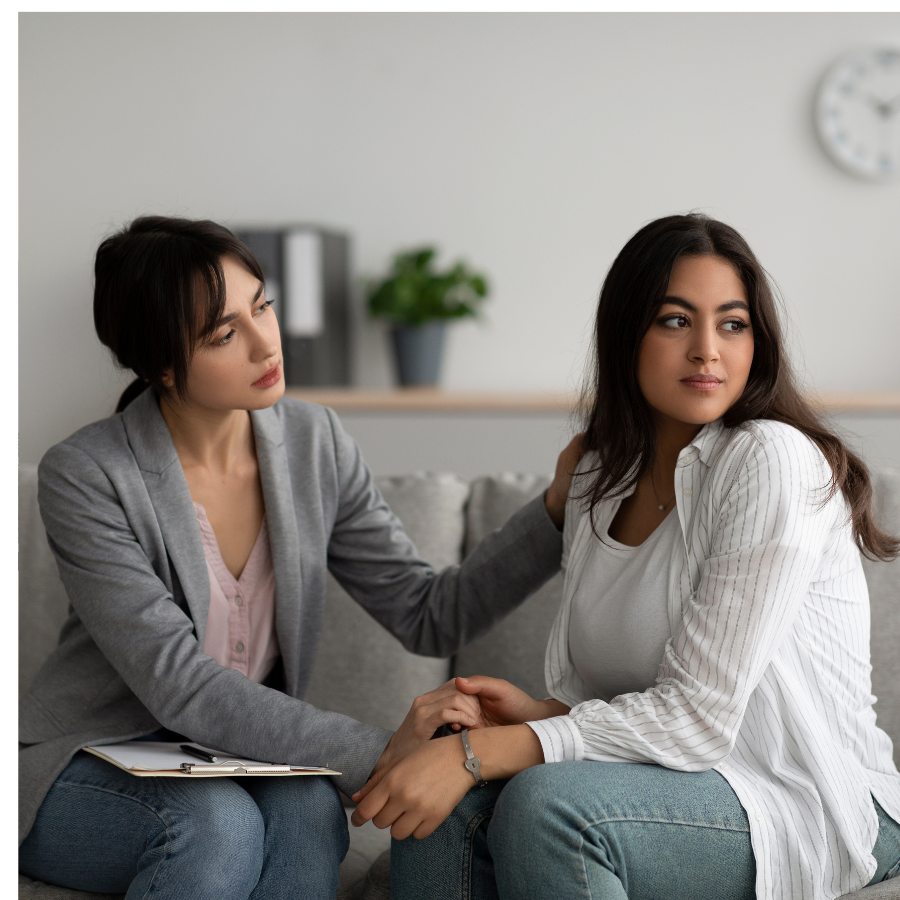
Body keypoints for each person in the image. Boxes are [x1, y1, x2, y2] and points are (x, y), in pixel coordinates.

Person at [18, 215, 583, 900]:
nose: (265, 344)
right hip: (82, 760)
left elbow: (429, 614)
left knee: (312, 809)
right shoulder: (87, 474)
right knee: (214, 823)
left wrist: (557, 507)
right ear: (164, 365)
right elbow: (180, 686)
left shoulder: (314, 441)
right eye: (226, 334)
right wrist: (388, 751)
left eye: (263, 306)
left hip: (231, 760)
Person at [351, 214, 900, 900]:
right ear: (626, 334)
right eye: (675, 321)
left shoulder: (770, 459)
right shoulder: (597, 476)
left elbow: (698, 720)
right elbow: (621, 706)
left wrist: (480, 752)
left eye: (733, 324)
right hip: (678, 784)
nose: (708, 350)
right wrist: (538, 715)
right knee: (442, 814)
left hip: (808, 798)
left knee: (550, 808)